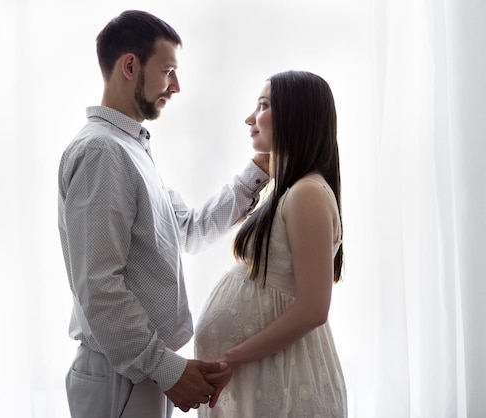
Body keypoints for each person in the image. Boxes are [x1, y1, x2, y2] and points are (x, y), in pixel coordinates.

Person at [57, 10, 269, 418]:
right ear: (130, 65)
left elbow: (188, 229)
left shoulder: (131, 148)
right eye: (168, 70)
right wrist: (168, 369)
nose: (176, 86)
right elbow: (100, 288)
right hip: (122, 375)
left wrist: (257, 171)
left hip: (139, 371)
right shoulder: (103, 152)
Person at [194, 70, 347, 417]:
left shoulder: (307, 193)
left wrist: (233, 356)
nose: (250, 118)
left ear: (296, 115)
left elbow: (313, 309)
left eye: (263, 105)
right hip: (265, 372)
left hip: (283, 372)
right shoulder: (290, 190)